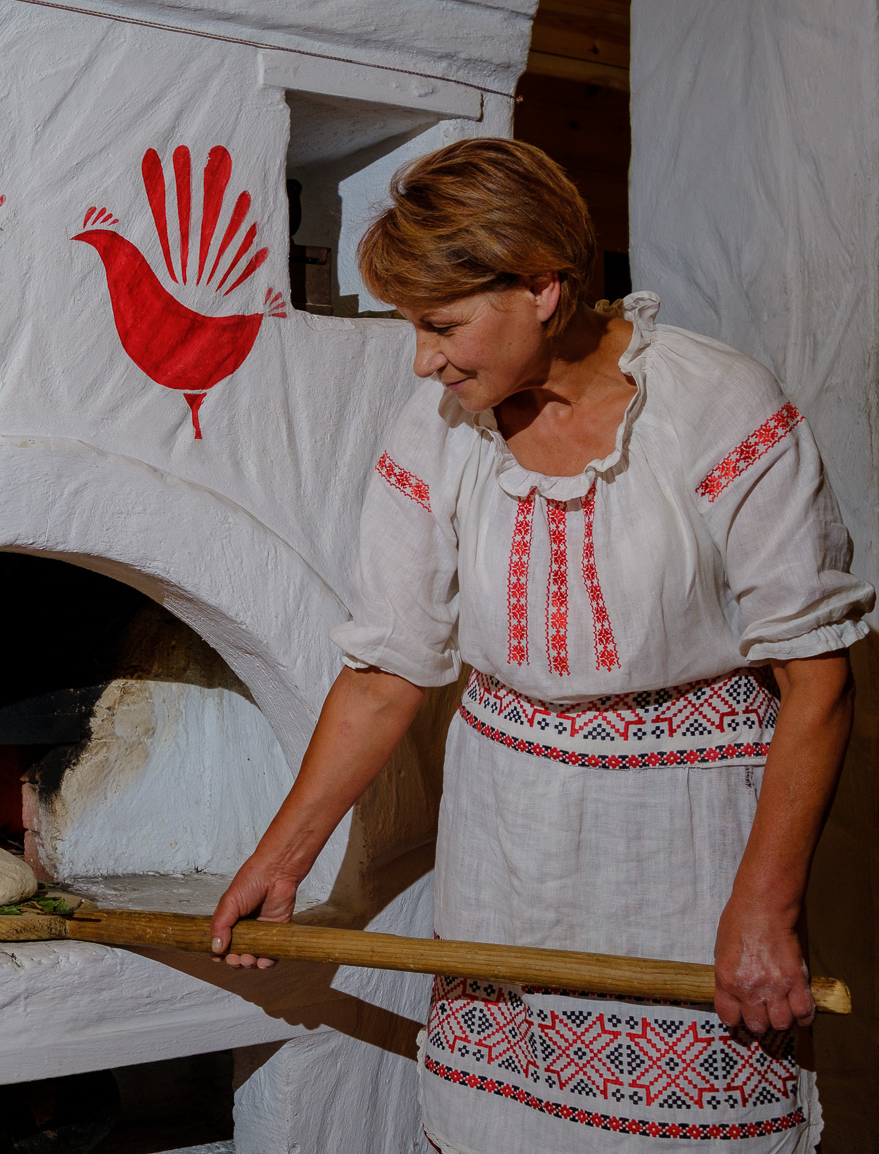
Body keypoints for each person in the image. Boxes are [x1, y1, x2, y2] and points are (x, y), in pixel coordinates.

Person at [209, 138, 871, 1153]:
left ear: (543, 288)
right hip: (505, 841)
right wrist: (280, 859)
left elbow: (817, 683)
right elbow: (384, 674)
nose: (423, 359)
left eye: (441, 325)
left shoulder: (718, 407)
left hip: (683, 849)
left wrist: (763, 908)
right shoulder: (438, 427)